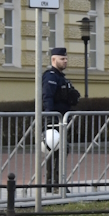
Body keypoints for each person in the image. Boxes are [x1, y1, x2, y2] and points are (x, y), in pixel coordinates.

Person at [41, 47, 80, 191]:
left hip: (62, 120)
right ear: (53, 59)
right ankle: (54, 183)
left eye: (66, 59)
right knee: (55, 149)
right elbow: (47, 97)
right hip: (54, 120)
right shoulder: (51, 76)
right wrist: (50, 117)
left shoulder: (61, 77)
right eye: (62, 59)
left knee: (61, 150)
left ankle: (54, 183)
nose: (65, 61)